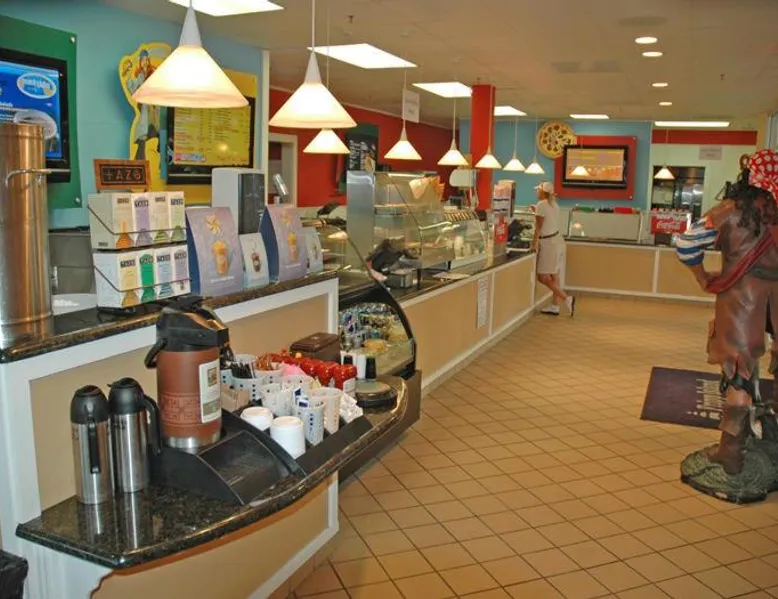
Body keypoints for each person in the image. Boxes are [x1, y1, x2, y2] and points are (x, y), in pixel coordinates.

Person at [676, 149, 778, 475]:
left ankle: (731, 453)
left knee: (738, 375)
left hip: (741, 302)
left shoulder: (730, 210)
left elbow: (686, 244)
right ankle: (773, 438)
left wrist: (702, 277)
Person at [532, 182, 575, 316]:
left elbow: (538, 227)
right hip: (557, 240)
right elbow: (547, 220)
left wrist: (534, 243)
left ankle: (566, 298)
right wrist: (535, 212)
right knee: (554, 275)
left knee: (542, 276)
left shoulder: (541, 205)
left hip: (548, 243)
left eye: (538, 190)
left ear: (542, 192)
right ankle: (555, 306)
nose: (536, 192)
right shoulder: (553, 204)